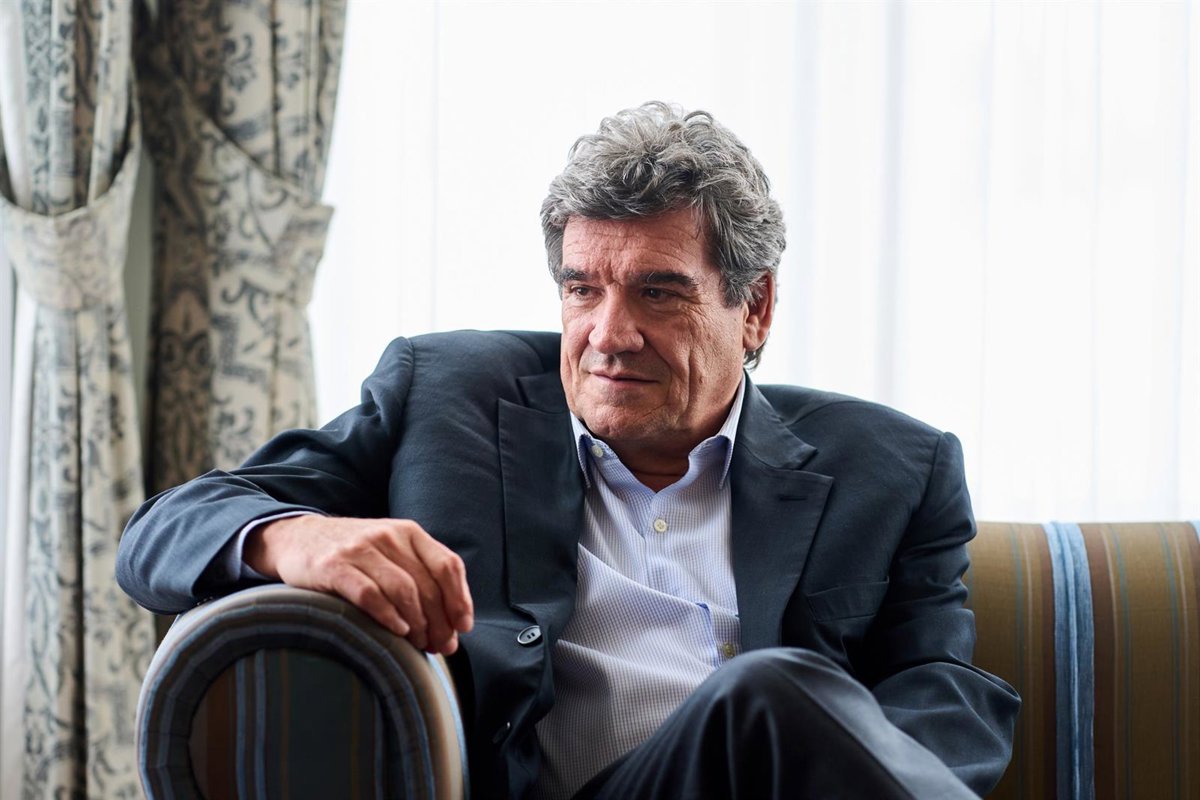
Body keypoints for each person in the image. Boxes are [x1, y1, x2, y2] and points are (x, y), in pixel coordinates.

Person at [118, 102, 1019, 799]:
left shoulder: (893, 468)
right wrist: (296, 537)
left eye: (658, 293)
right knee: (771, 694)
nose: (608, 335)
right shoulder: (446, 397)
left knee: (775, 699)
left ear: (755, 309)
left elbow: (942, 690)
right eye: (582, 290)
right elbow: (162, 531)